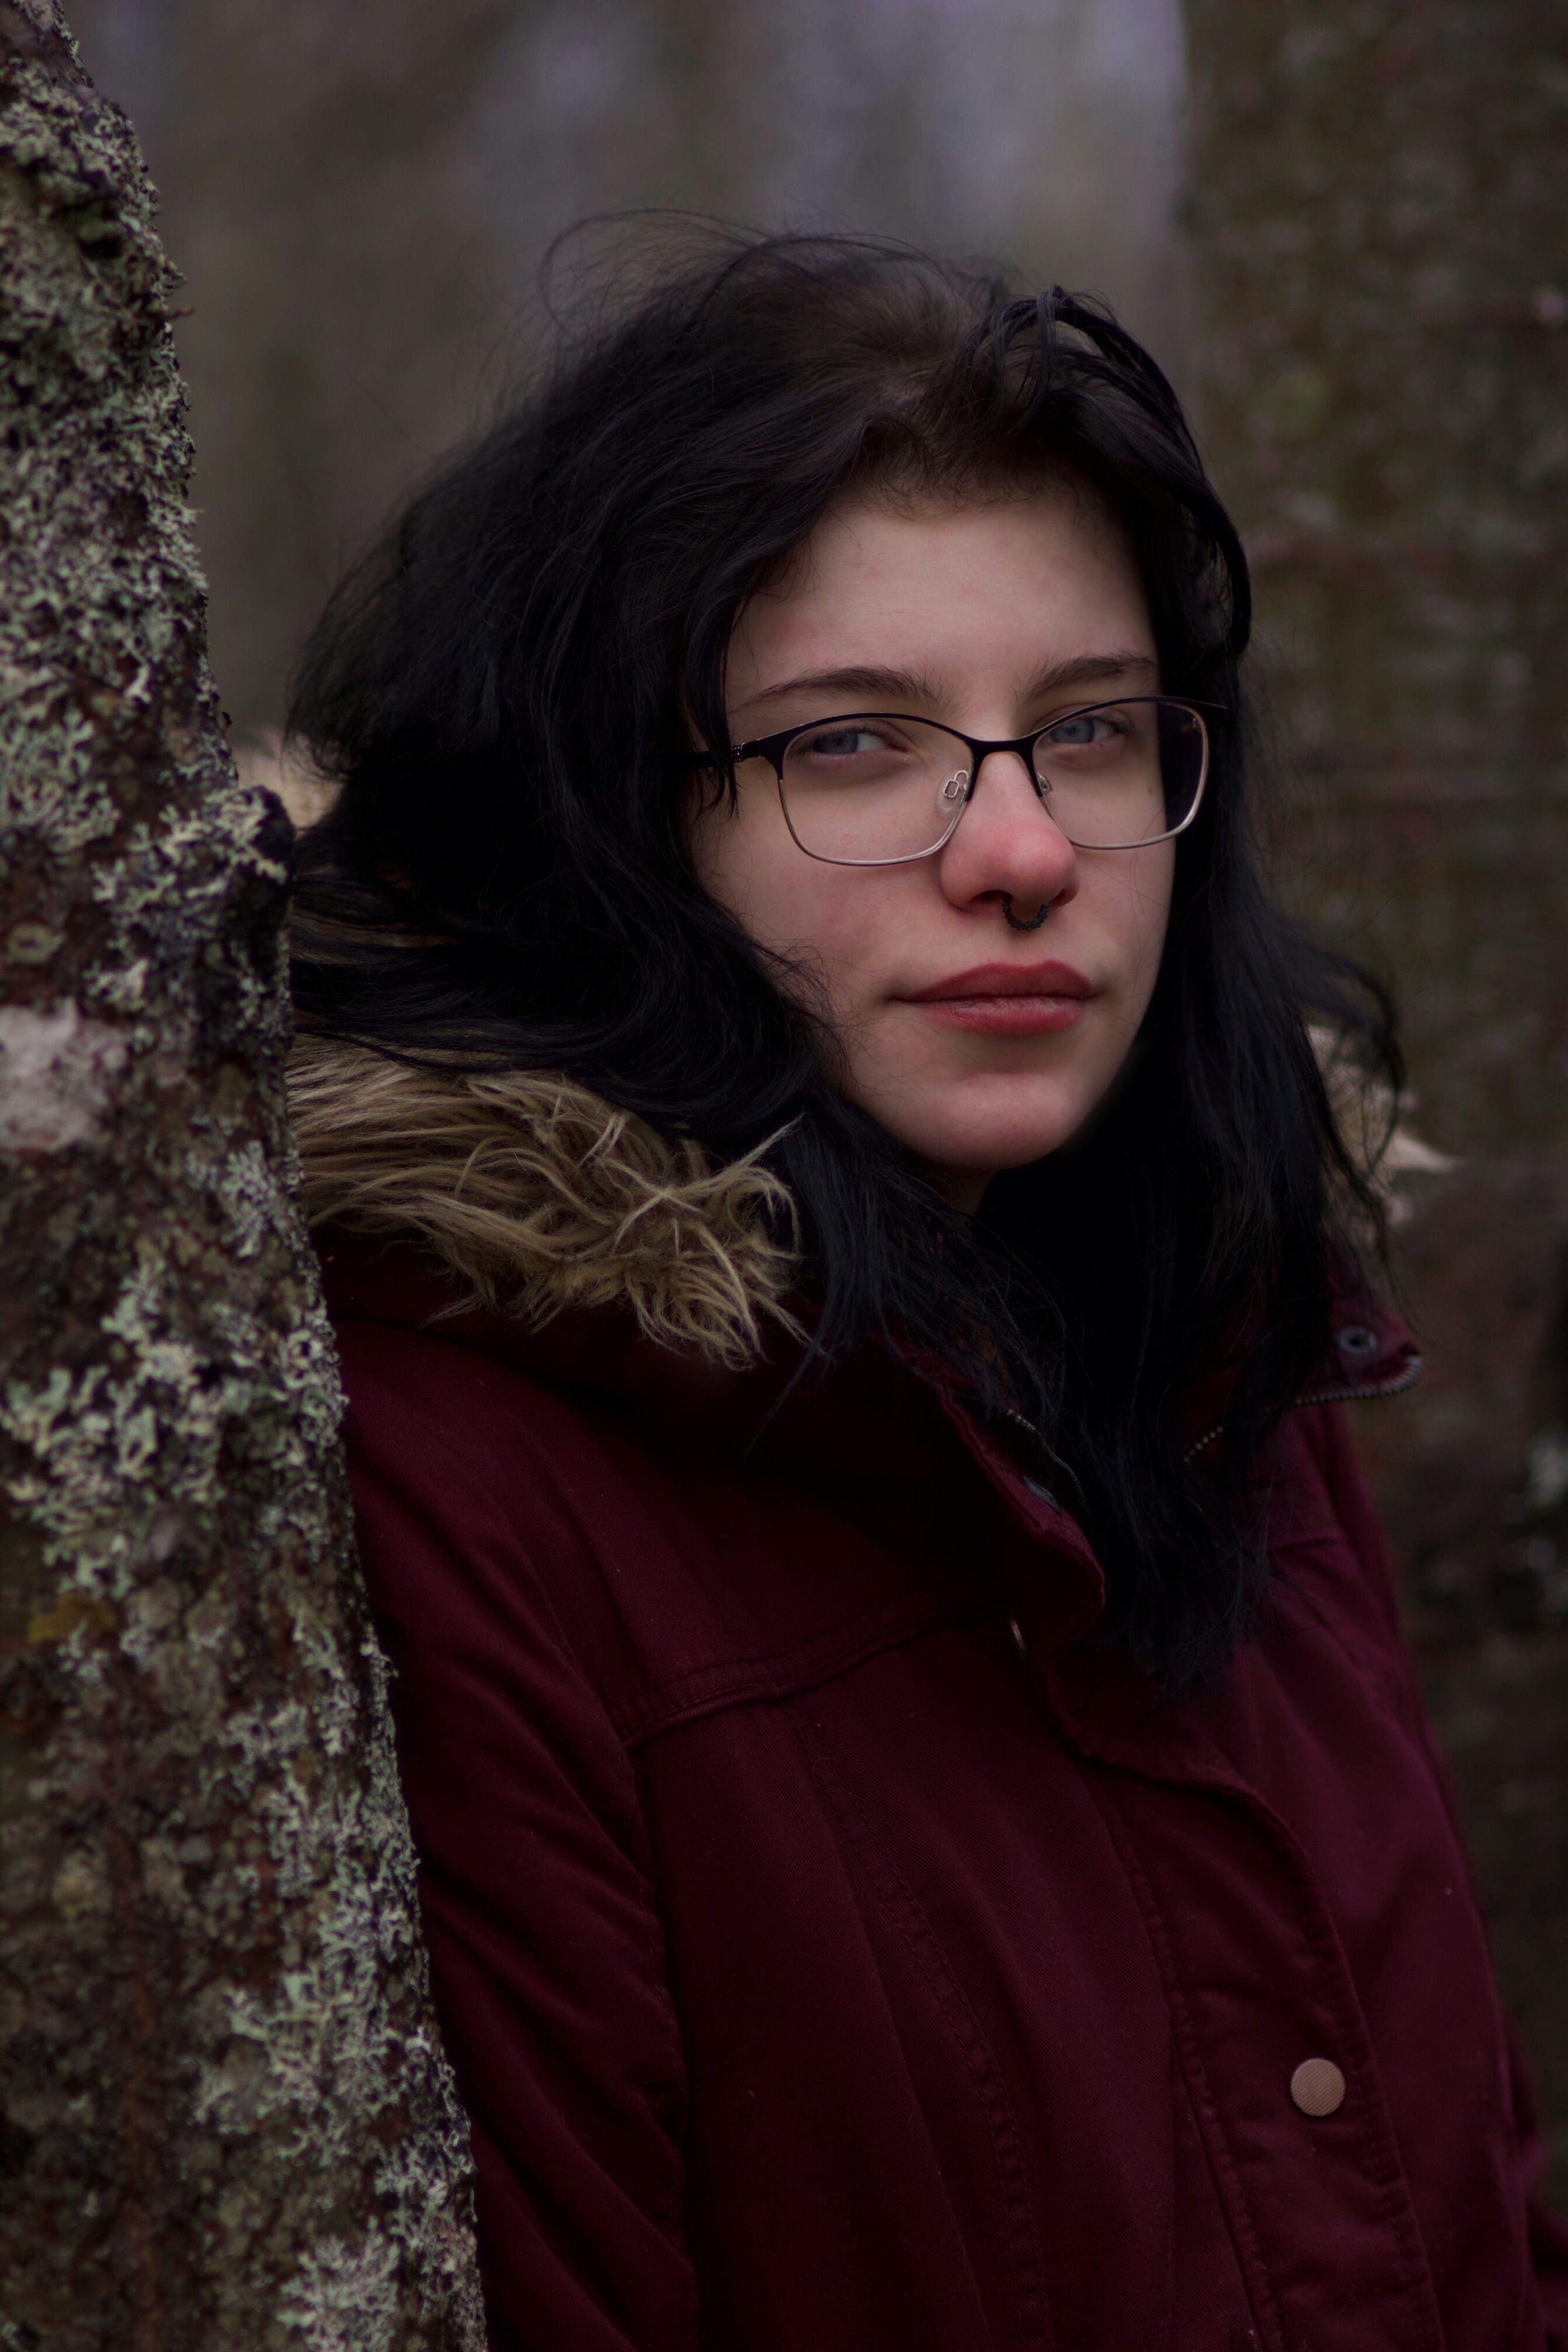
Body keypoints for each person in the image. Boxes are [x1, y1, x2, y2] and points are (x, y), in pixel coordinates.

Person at [285, 230, 1568, 2350]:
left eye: (1085, 730)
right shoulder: (451, 1470)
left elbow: (1466, 2211)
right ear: (609, 814)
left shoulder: (1225, 1334)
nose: (1025, 849)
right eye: (855, 745)